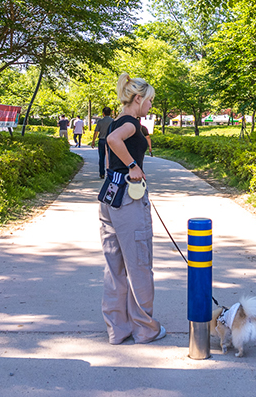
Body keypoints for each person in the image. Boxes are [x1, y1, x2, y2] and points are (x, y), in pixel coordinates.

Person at [99, 72, 165, 345]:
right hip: (128, 198)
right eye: (149, 101)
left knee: (114, 267)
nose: (150, 106)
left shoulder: (116, 121)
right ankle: (145, 329)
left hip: (109, 197)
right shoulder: (129, 124)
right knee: (138, 263)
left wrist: (115, 171)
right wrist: (133, 166)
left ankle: (118, 329)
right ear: (137, 98)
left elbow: (107, 152)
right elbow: (114, 141)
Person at [90, 106, 114, 178]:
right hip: (111, 141)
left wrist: (93, 141)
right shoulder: (113, 121)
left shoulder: (100, 121)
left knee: (101, 157)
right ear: (110, 113)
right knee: (110, 158)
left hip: (102, 141)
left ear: (103, 113)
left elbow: (96, 132)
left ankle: (102, 173)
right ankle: (110, 173)